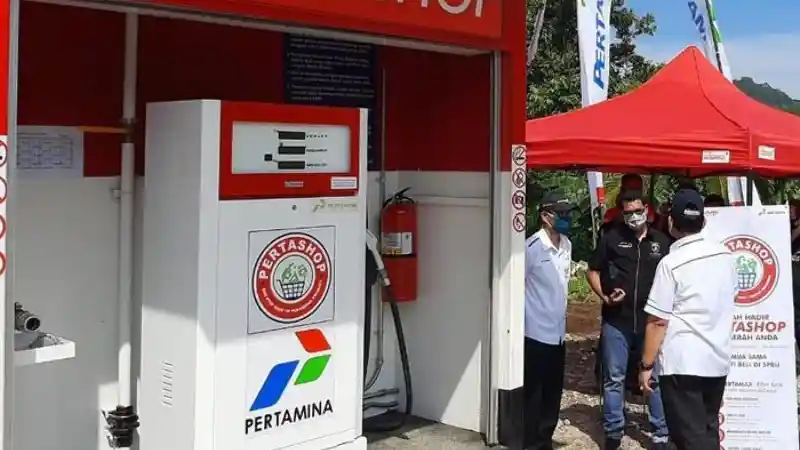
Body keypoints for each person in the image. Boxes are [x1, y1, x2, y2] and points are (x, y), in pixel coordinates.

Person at [638, 189, 737, 450]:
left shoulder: (671, 263)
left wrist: (646, 365)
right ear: (703, 220)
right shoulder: (726, 256)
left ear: (671, 221)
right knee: (708, 429)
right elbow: (732, 297)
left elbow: (658, 320)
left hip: (683, 363)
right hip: (717, 360)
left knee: (689, 439)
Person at [587, 189, 671, 450]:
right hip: (617, 321)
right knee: (614, 378)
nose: (634, 217)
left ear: (647, 209)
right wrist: (604, 296)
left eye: (637, 211)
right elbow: (592, 271)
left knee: (654, 377)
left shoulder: (662, 242)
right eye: (628, 213)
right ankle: (614, 432)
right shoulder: (612, 238)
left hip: (651, 323)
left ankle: (660, 433)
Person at [524, 188, 575, 450]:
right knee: (533, 393)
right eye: (561, 213)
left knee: (553, 393)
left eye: (568, 213)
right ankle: (530, 442)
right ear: (545, 216)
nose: (566, 218)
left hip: (558, 333)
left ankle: (545, 440)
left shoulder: (566, 245)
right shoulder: (531, 248)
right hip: (534, 333)